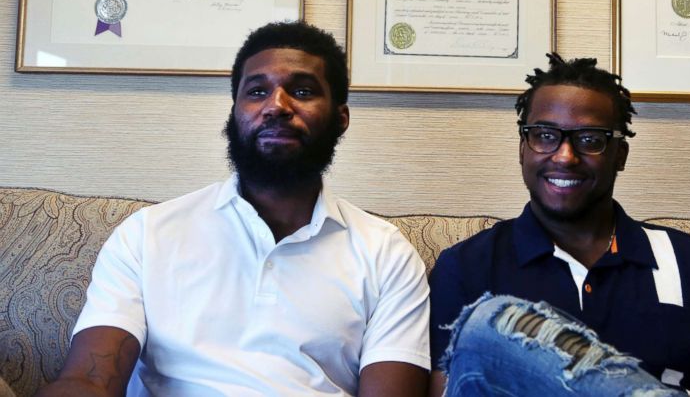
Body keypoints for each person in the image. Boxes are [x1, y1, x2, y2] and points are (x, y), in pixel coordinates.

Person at [39, 22, 430, 397]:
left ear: (340, 118)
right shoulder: (147, 234)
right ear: (234, 112)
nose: (277, 106)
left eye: (304, 91)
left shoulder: (386, 253)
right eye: (257, 92)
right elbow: (91, 379)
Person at [429, 54, 690, 397]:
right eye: (545, 135)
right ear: (523, 149)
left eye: (590, 139)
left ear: (620, 155)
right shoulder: (466, 266)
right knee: (486, 324)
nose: (565, 156)